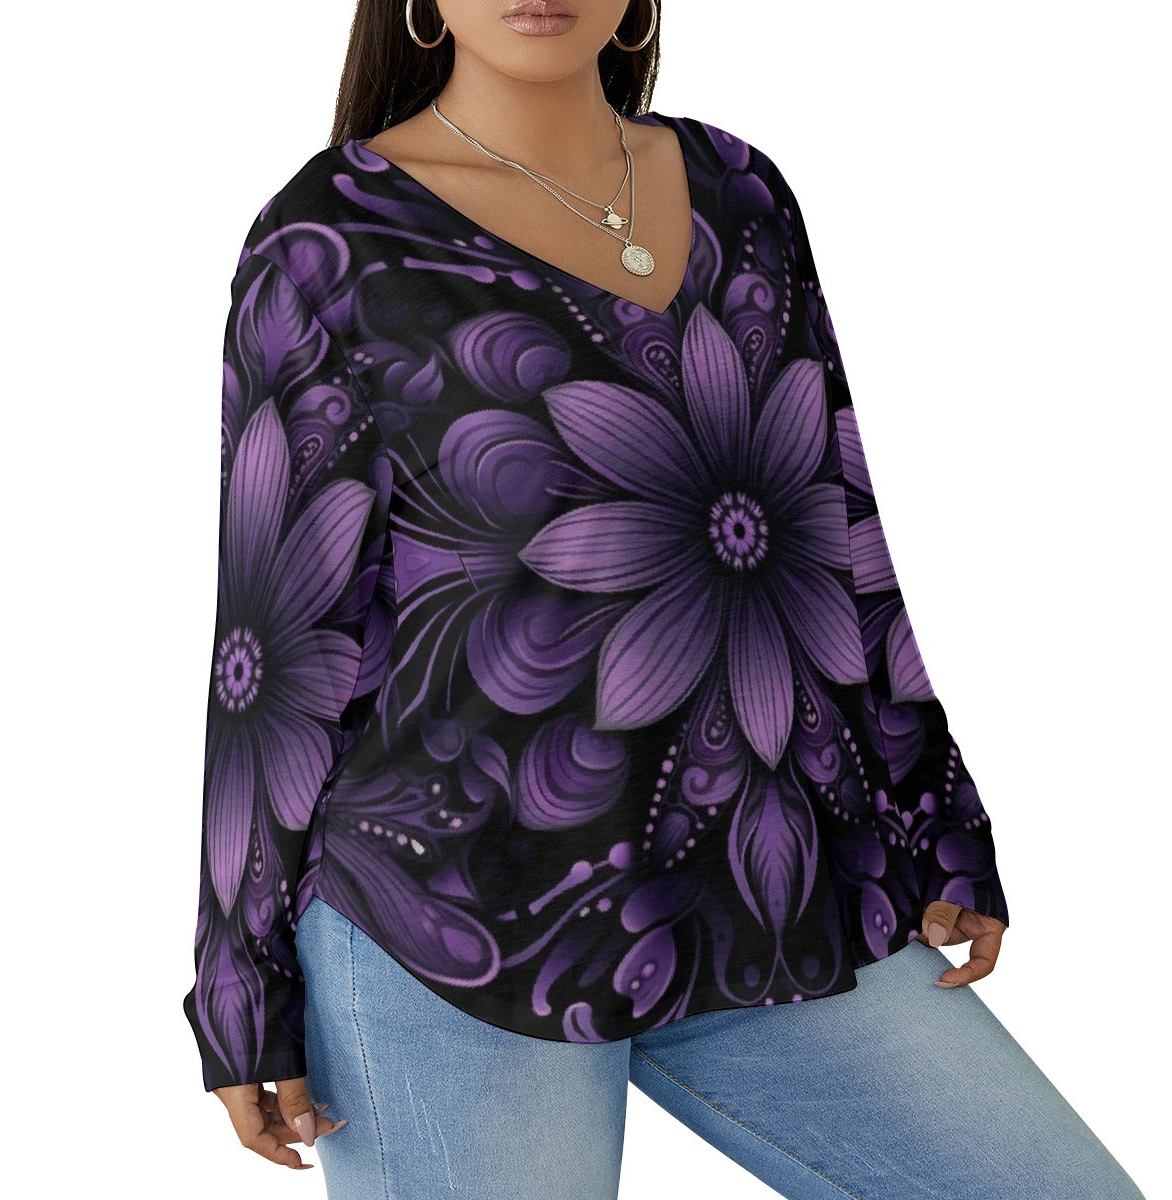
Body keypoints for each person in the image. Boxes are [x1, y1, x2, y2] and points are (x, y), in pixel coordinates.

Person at [181, 2, 1148, 1197]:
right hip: (445, 919)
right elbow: (277, 638)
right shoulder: (330, 237)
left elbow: (833, 516)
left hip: (755, 880)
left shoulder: (741, 191)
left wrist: (932, 806)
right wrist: (240, 970)